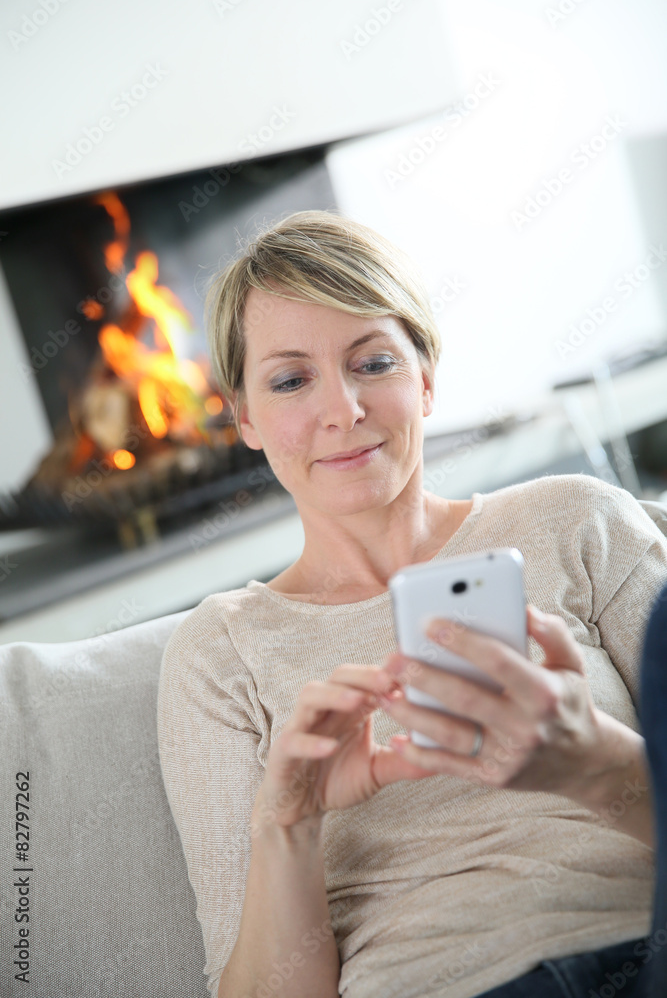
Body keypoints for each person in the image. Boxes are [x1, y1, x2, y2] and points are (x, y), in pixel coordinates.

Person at [156, 209, 667, 998]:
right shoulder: (222, 650)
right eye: (291, 379)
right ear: (246, 418)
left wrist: (594, 767)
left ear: (424, 380)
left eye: (373, 362)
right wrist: (287, 819)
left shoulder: (574, 521)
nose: (343, 410)